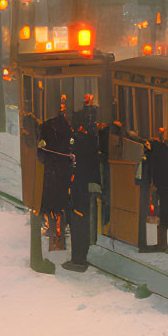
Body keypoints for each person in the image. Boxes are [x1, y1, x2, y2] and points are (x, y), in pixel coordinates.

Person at [65, 94, 105, 272]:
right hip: (91, 183)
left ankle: (78, 258)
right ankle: (83, 255)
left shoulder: (79, 138)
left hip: (79, 184)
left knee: (78, 220)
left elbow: (73, 158)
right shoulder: (96, 136)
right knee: (87, 220)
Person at [37, 102, 76, 252]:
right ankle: (57, 236)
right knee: (58, 203)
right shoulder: (58, 128)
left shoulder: (48, 127)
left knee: (54, 203)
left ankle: (55, 235)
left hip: (54, 171)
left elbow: (41, 153)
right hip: (59, 172)